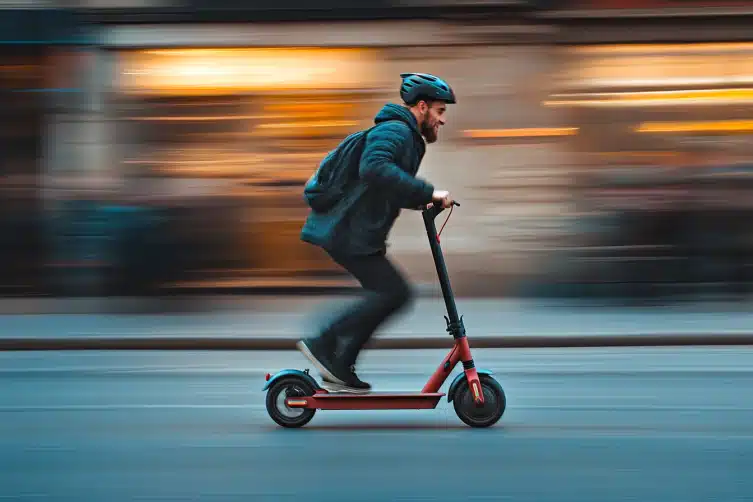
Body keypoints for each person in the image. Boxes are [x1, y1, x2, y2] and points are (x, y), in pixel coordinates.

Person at [297, 72, 457, 393]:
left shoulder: (407, 138)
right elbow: (374, 167)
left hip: (357, 234)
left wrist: (423, 201)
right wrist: (428, 192)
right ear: (422, 107)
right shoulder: (396, 131)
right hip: (348, 233)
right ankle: (325, 342)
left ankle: (339, 363)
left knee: (389, 295)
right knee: (394, 293)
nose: (442, 121)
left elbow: (388, 186)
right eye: (440, 112)